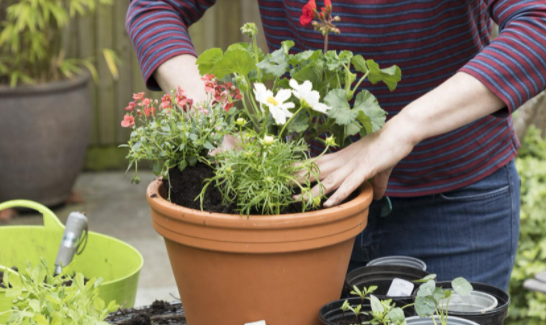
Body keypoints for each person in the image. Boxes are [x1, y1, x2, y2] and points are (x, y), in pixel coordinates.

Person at [126, 0, 546, 291]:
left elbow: (538, 23)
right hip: (306, 206)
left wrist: (400, 132)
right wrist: (213, 120)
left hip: (454, 204)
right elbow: (154, 8)